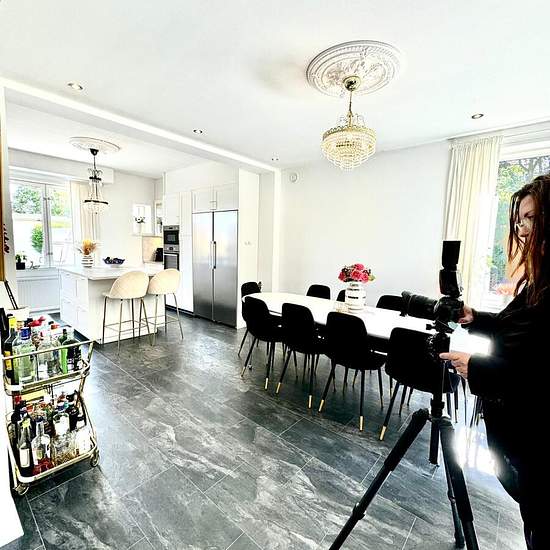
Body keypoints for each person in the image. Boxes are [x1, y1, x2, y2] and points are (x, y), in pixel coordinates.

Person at [441, 174, 549, 550]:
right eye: (519, 220)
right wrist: (474, 318)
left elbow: (539, 372)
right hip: (519, 438)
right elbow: (519, 329)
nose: (521, 228)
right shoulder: (538, 280)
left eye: (531, 218)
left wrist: (476, 367)